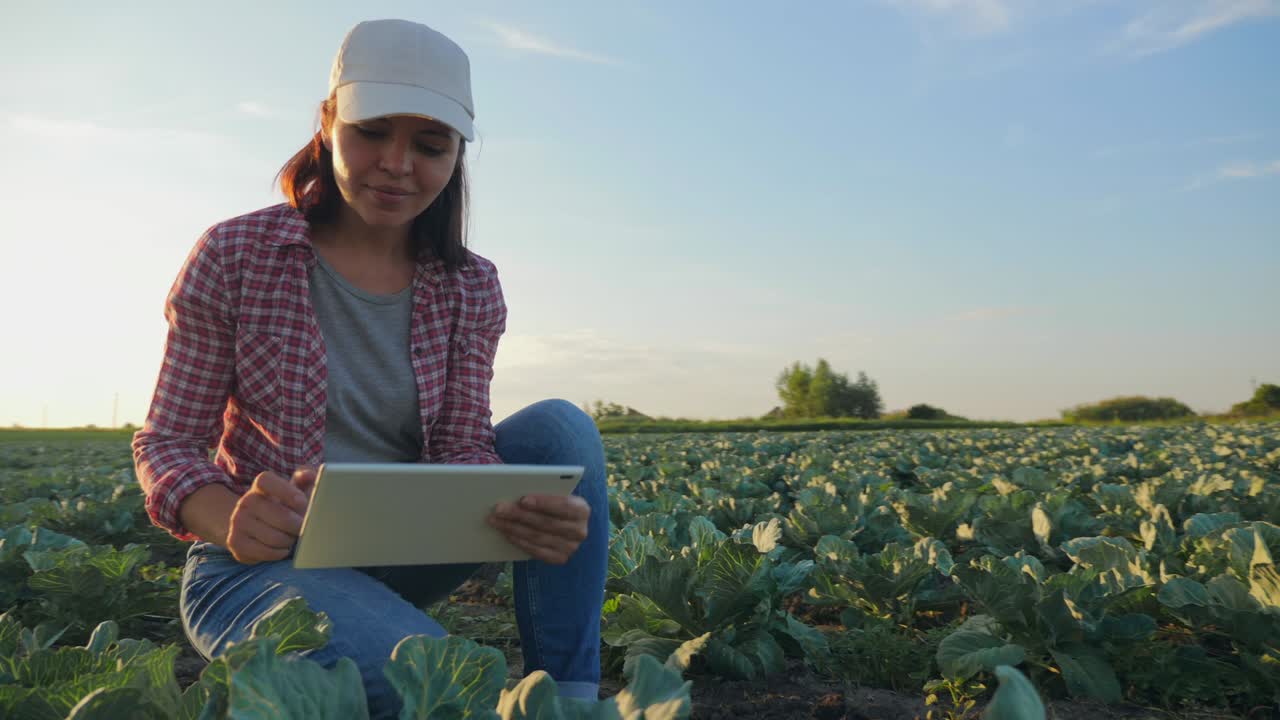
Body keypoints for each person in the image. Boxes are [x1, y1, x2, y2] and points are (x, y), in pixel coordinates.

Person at [131, 18, 608, 718]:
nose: (397, 162)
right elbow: (165, 442)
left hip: (395, 551)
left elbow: (461, 448)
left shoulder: (471, 284)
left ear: (457, 157)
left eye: (430, 144)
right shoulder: (235, 255)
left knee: (562, 433)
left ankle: (569, 699)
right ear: (328, 122)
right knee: (433, 677)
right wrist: (230, 516)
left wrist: (536, 519)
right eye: (373, 130)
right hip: (258, 566)